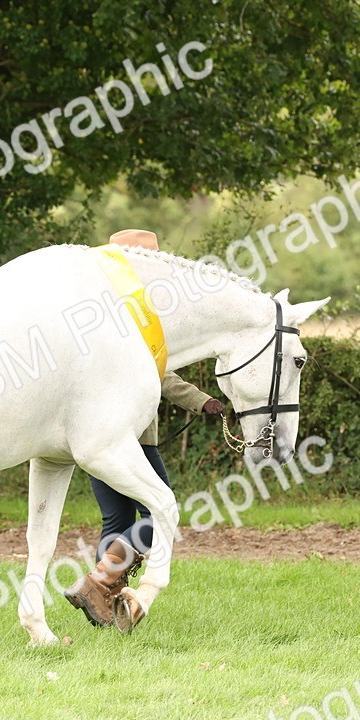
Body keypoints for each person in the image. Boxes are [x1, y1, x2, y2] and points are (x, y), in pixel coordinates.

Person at [64, 229, 226, 628]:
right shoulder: (134, 314)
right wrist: (200, 400)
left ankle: (105, 605)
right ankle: (99, 583)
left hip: (94, 437)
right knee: (160, 513)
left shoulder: (97, 311)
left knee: (116, 523)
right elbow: (162, 375)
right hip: (134, 439)